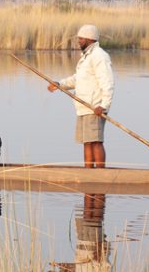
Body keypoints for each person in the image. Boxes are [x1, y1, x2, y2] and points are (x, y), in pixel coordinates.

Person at [47, 24, 114, 168]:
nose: (78, 41)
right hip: (83, 107)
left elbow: (107, 82)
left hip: (94, 107)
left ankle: (100, 175)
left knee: (96, 141)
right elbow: (77, 79)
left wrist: (103, 105)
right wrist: (60, 84)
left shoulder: (99, 56)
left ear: (90, 39)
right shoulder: (86, 57)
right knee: (87, 141)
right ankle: (88, 173)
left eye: (81, 38)